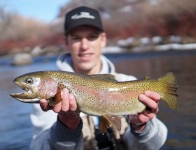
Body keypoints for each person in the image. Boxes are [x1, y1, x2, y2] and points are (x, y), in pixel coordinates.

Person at [30, 6, 167, 150]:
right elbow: (38, 146)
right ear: (66, 43)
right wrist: (66, 127)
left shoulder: (127, 83)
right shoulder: (49, 92)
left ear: (103, 40)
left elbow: (154, 144)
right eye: (76, 38)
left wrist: (140, 127)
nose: (84, 46)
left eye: (92, 37)